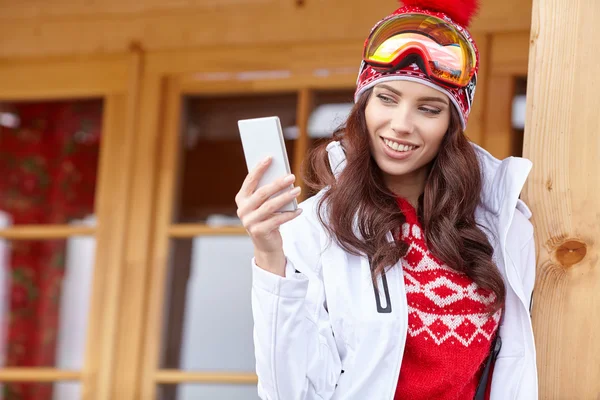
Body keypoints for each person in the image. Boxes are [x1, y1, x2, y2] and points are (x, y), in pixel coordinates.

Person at [234, 0, 538, 398]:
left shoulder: (501, 226)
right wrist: (271, 257)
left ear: (452, 124)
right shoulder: (313, 227)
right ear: (364, 105)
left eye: (428, 108)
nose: (401, 125)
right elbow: (289, 391)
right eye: (388, 99)